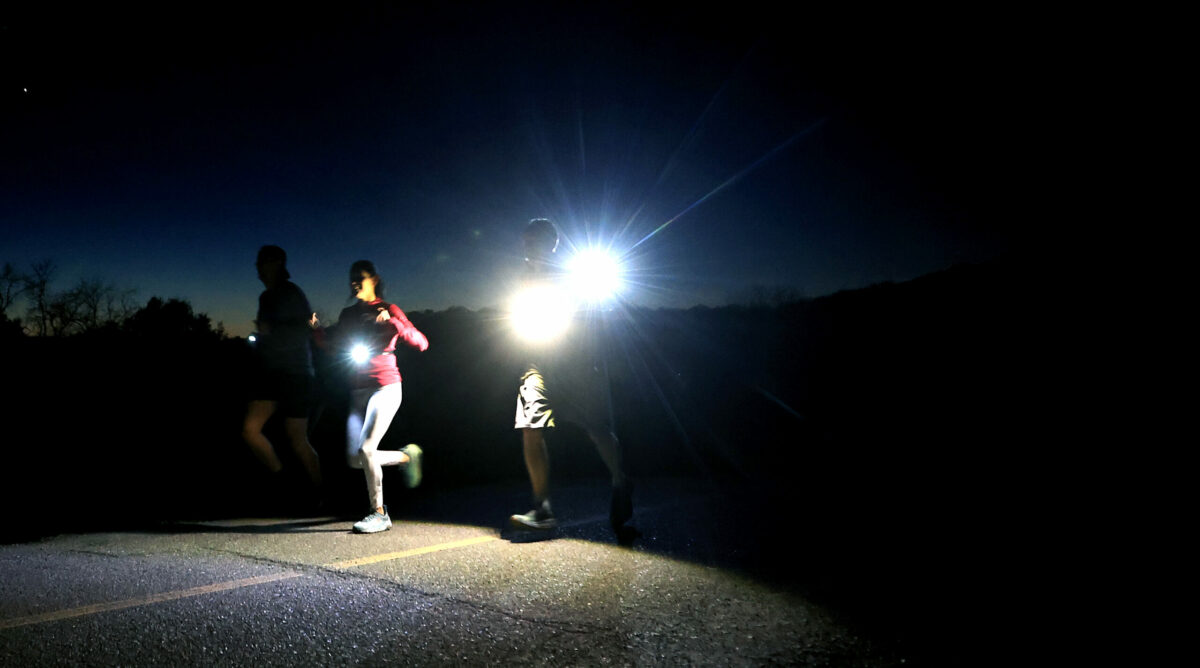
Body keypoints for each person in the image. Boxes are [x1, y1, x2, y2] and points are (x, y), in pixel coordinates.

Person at [508, 218, 633, 535]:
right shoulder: (524, 275)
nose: (529, 246)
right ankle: (542, 508)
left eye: (535, 240)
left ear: (552, 242)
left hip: (572, 358)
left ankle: (621, 479)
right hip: (536, 358)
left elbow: (591, 316)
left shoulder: (570, 273)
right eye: (526, 241)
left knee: (594, 426)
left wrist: (589, 352)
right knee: (530, 429)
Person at [320, 260, 429, 534]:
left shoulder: (388, 308)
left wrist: (392, 321)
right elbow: (333, 349)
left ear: (374, 279)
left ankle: (379, 513)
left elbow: (421, 342)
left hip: (386, 387)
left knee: (367, 449)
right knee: (355, 459)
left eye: (361, 277)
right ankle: (405, 458)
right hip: (358, 389)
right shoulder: (347, 315)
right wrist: (317, 332)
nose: (355, 282)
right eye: (352, 278)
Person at [242, 245, 324, 507]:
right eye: (257, 263)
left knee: (297, 439)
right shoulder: (266, 297)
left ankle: (321, 495)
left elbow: (305, 326)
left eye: (261, 263)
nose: (257, 268)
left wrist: (270, 330)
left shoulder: (291, 293)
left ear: (275, 263)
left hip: (296, 374)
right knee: (250, 430)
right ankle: (283, 483)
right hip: (272, 374)